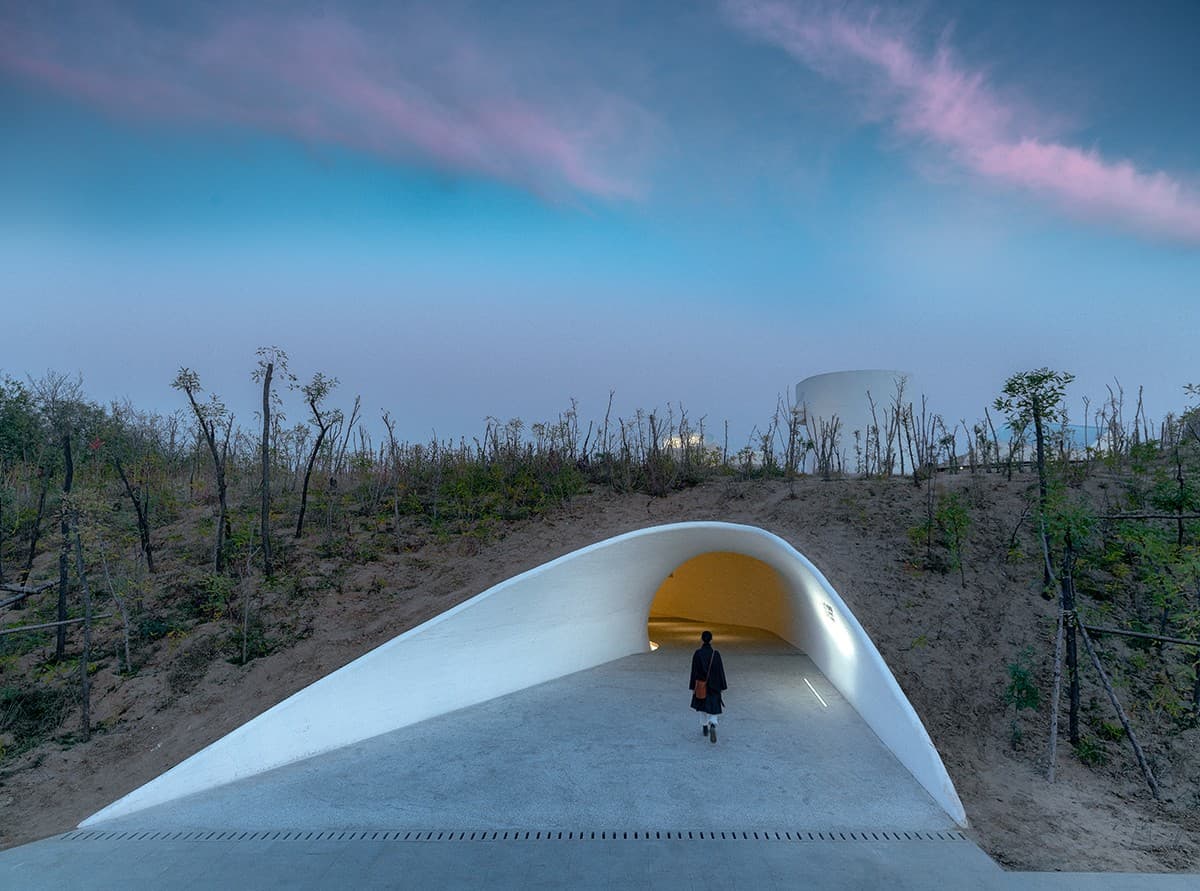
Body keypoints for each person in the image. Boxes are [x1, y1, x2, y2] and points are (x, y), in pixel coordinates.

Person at [690, 630, 728, 743]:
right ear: (711, 640)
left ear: (702, 639)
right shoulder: (715, 654)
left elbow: (694, 671)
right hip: (714, 685)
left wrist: (693, 686)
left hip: (701, 685)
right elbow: (720, 670)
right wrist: (722, 685)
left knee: (702, 706)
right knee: (714, 706)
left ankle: (704, 727)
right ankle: (713, 724)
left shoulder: (697, 654)